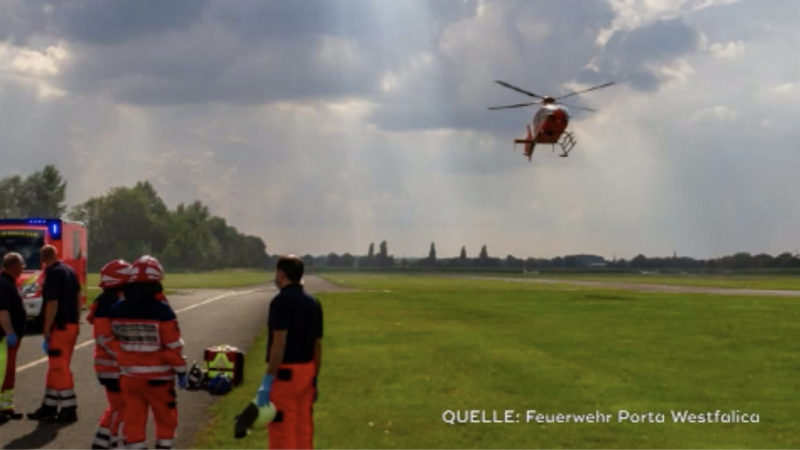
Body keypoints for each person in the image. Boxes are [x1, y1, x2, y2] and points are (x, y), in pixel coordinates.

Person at [109, 255, 187, 449]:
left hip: (129, 377)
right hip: (159, 379)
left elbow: (114, 341)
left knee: (133, 420)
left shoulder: (118, 309)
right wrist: (181, 369)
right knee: (165, 418)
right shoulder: (163, 311)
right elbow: (172, 347)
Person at [256, 255, 323, 449]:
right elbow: (317, 346)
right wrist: (314, 380)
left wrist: (267, 381)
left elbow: (279, 344)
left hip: (285, 376)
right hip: (308, 371)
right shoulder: (313, 304)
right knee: (303, 429)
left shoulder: (281, 302)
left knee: (282, 431)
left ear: (281, 274)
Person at [28, 245, 81, 423]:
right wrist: (76, 318)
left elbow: (52, 303)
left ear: (43, 260)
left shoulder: (52, 273)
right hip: (71, 324)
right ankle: (49, 406)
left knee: (59, 367)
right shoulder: (70, 270)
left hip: (60, 327)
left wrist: (46, 327)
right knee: (55, 367)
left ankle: (69, 407)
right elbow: (78, 297)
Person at [88, 259, 132, 449]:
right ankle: (114, 442)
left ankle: (102, 442)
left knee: (117, 405)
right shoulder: (108, 304)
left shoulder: (108, 301)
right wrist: (126, 355)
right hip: (111, 367)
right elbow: (105, 338)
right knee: (121, 405)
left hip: (111, 366)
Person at [0, 253, 26, 423]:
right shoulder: (3, 284)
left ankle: (6, 407)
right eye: (22, 265)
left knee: (9, 373)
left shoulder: (9, 283)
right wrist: (9, 332)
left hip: (11, 337)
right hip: (4, 338)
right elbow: (2, 311)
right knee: (2, 373)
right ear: (14, 265)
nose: (23, 268)